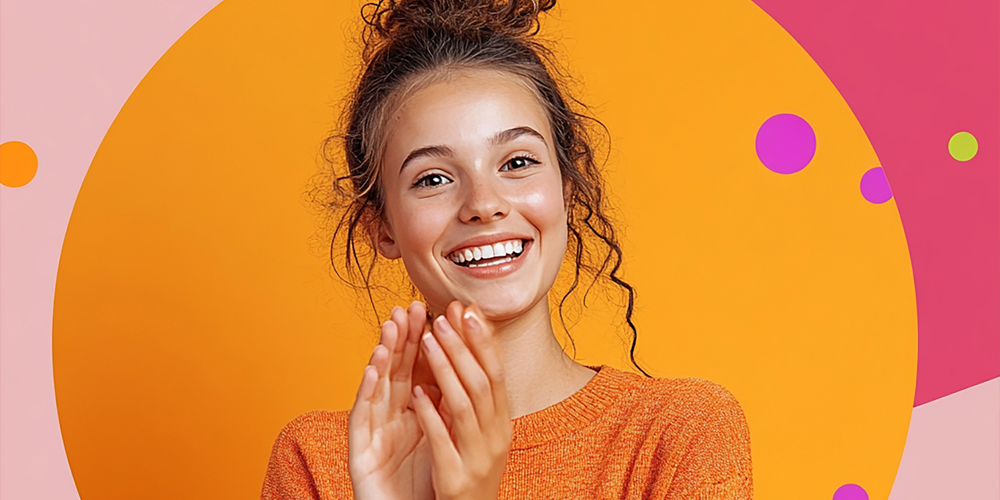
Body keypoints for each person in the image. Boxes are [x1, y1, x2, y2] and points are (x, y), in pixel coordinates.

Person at [261, 0, 752, 498]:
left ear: (567, 185)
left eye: (517, 162)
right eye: (432, 178)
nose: (483, 204)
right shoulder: (318, 461)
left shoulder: (679, 433)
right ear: (382, 227)